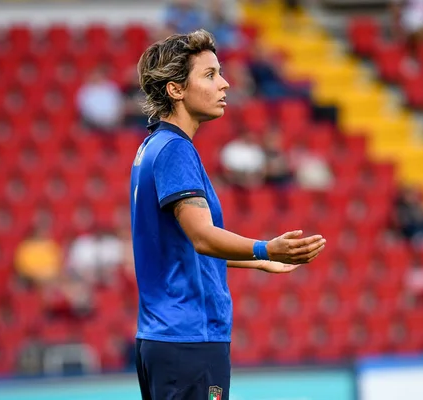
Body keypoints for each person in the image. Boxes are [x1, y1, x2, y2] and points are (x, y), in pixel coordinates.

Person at [131, 30, 326, 400]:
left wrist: (255, 262)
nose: (224, 84)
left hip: (166, 338)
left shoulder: (151, 146)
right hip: (190, 339)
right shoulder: (175, 150)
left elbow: (180, 245)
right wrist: (265, 249)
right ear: (176, 90)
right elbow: (203, 236)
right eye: (209, 75)